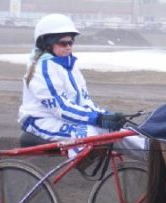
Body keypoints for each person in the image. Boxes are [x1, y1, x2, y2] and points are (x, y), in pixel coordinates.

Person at [18, 13, 145, 159]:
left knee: (119, 132)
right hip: (41, 120)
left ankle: (155, 159)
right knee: (87, 133)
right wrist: (99, 119)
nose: (68, 47)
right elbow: (62, 108)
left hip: (62, 118)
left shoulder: (70, 65)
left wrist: (108, 116)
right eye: (63, 43)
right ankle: (78, 170)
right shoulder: (42, 69)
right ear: (46, 44)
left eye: (70, 43)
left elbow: (84, 102)